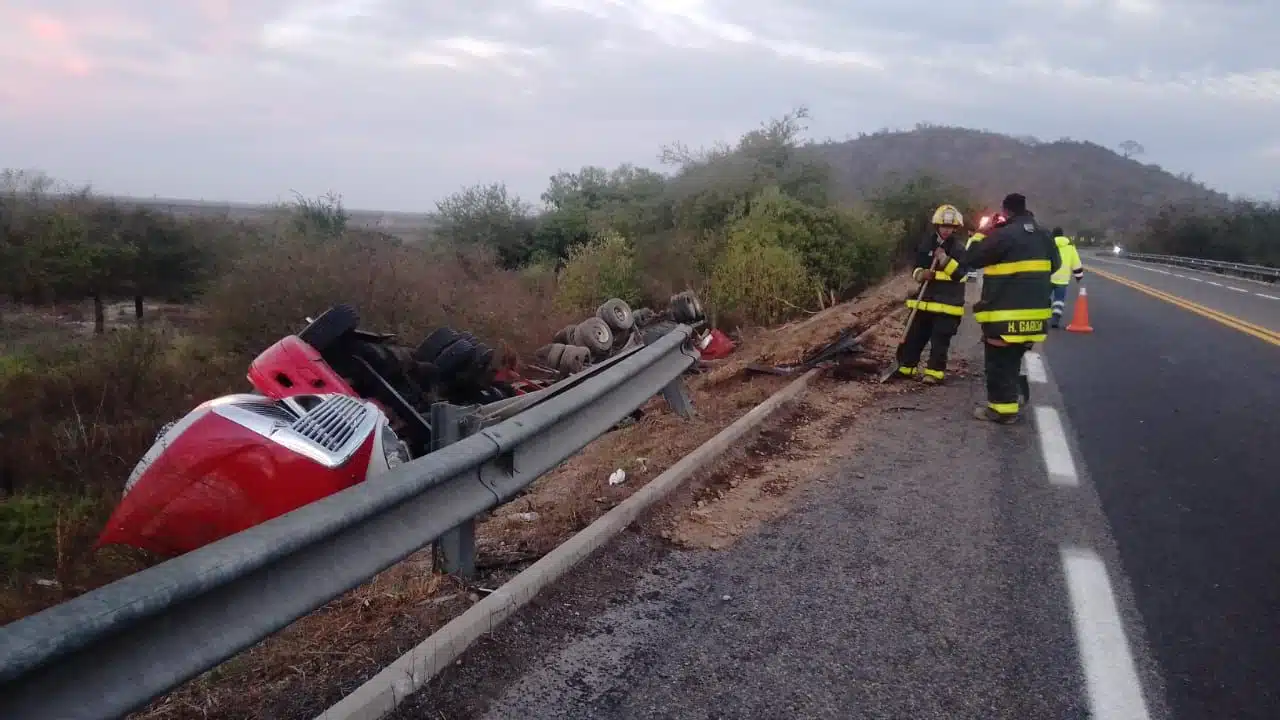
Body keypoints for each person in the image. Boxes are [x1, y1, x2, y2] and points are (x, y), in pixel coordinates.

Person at [932, 193, 1059, 424]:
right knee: (1014, 355)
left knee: (998, 361)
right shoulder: (1044, 235)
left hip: (1004, 313)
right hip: (1037, 315)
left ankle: (1002, 410)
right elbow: (1056, 265)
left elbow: (972, 258)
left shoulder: (1003, 235)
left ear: (1005, 212)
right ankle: (1014, 393)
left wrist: (982, 232)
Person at [893, 204, 968, 385]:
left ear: (955, 228)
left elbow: (960, 274)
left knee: (939, 342)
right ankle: (906, 368)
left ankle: (933, 374)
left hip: (947, 305)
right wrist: (921, 274)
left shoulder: (958, 248)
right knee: (913, 336)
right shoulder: (927, 243)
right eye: (944, 226)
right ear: (937, 226)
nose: (946, 230)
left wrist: (944, 259)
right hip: (924, 301)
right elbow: (916, 267)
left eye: (950, 227)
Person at [1049, 227, 1084, 327]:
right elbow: (1076, 262)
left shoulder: (1049, 244)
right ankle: (1055, 319)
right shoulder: (1070, 246)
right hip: (1063, 279)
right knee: (1059, 300)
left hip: (1049, 276)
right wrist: (1079, 276)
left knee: (1044, 298)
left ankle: (1042, 318)